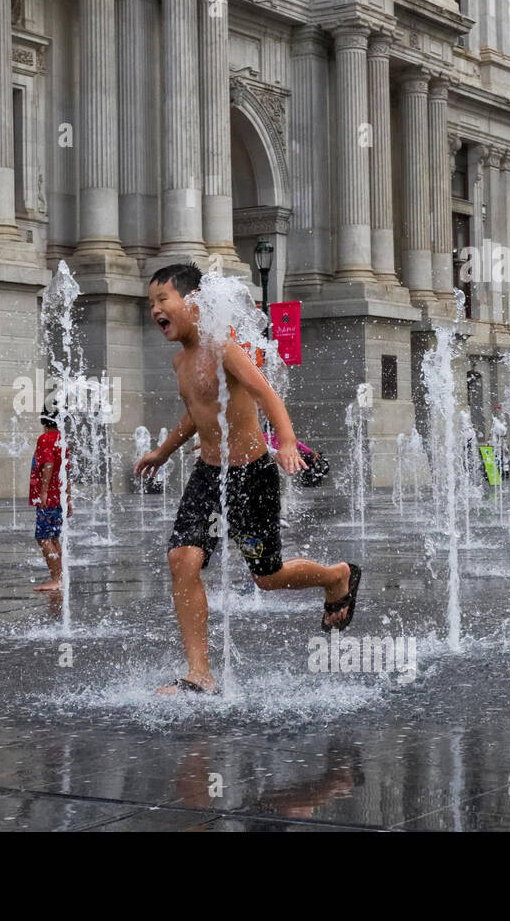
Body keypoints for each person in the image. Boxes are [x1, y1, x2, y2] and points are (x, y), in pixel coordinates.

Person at [134, 262, 359, 696]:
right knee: (182, 559)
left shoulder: (223, 347)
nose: (155, 310)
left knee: (267, 576)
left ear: (192, 302)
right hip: (208, 475)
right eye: (151, 304)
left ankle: (336, 577)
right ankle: (200, 674)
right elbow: (197, 412)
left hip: (251, 476)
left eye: (162, 299)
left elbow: (264, 392)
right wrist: (162, 452)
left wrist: (288, 442)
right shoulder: (180, 361)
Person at [29, 406, 71, 592]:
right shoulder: (61, 440)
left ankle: (56, 579)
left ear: (43, 420)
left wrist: (44, 491)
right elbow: (66, 472)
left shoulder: (45, 439)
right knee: (53, 537)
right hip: (59, 496)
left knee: (43, 537)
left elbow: (48, 464)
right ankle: (60, 576)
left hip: (49, 497)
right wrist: (68, 498)